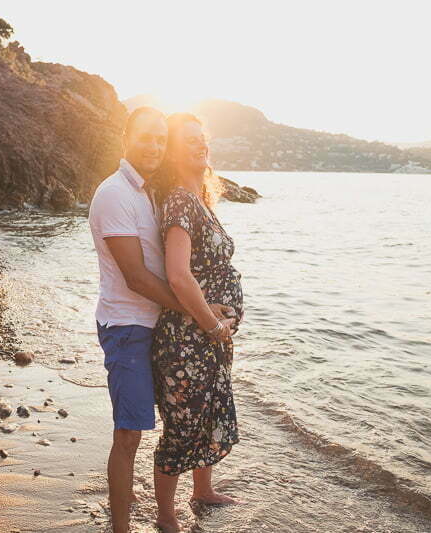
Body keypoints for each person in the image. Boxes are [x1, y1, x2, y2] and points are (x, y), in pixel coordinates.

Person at [88, 107, 233, 533]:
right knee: (129, 432)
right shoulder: (114, 193)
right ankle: (121, 527)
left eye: (159, 140)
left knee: (180, 419)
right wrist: (202, 312)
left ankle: (183, 494)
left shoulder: (150, 193)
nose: (153, 146)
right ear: (125, 138)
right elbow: (136, 277)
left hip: (159, 326)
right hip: (127, 328)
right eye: (145, 138)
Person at [148, 113, 243, 533]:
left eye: (202, 137)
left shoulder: (199, 197)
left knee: (209, 415)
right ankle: (166, 517)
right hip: (188, 338)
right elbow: (178, 275)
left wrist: (220, 329)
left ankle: (202, 491)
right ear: (172, 151)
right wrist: (212, 325)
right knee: (183, 426)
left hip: (208, 338)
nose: (200, 144)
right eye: (188, 140)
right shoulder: (180, 201)